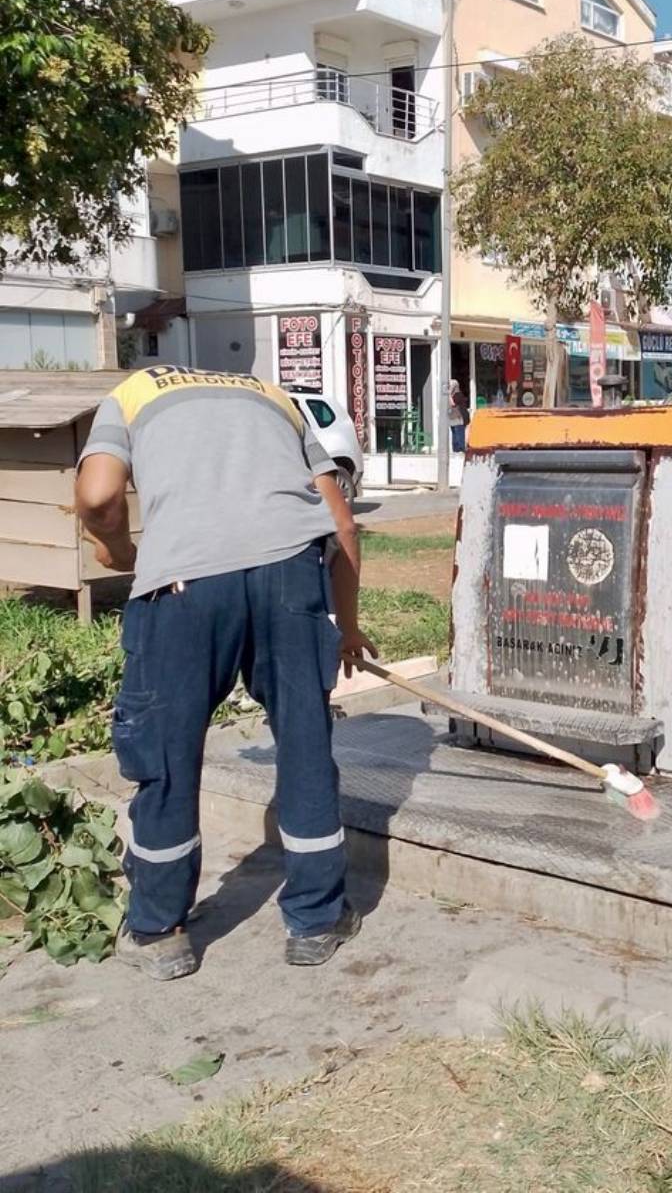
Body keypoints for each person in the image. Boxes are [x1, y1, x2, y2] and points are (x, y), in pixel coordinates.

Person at [75, 365, 377, 981]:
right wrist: (344, 625)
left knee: (166, 751)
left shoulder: (130, 394)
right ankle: (316, 922)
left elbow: (99, 496)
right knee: (304, 743)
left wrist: (123, 553)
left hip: (183, 586)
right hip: (292, 574)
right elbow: (341, 521)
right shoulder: (276, 399)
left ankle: (161, 929)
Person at [448, 378, 469, 453]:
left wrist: (449, 395)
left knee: (459, 433)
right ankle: (455, 449)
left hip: (459, 418)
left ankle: (461, 449)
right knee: (454, 433)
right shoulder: (452, 395)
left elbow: (453, 404)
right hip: (453, 418)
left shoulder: (458, 394)